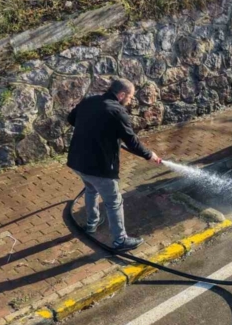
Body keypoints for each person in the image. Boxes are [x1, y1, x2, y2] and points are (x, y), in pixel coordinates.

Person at [67, 78, 162, 250]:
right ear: (121, 94)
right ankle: (120, 240)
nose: (131, 100)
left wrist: (96, 130)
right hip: (99, 167)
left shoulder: (89, 101)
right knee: (113, 202)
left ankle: (91, 224)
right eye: (131, 97)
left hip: (77, 161)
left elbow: (71, 119)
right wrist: (149, 155)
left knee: (91, 189)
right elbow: (132, 142)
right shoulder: (117, 112)